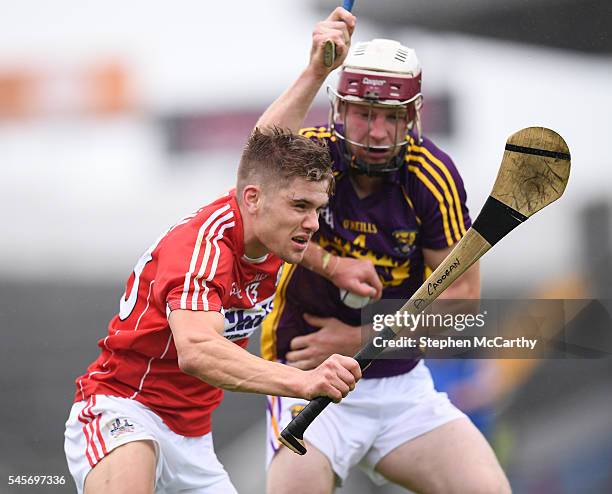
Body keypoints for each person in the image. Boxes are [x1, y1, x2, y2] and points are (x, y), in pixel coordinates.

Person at [258, 8, 511, 494]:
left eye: (390, 117)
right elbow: (255, 182)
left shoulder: (432, 177)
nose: (375, 132)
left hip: (401, 390)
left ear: (412, 116)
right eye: (364, 113)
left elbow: (461, 301)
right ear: (339, 109)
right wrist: (329, 264)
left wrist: (361, 339)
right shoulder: (316, 157)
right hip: (304, 380)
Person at [63, 128, 363, 494]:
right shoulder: (202, 248)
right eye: (300, 206)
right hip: (125, 409)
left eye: (318, 209)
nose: (313, 223)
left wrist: (314, 75)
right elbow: (198, 351)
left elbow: (265, 145)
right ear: (253, 198)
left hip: (193, 438)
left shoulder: (272, 237)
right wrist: (303, 382)